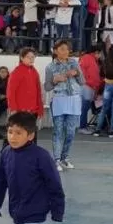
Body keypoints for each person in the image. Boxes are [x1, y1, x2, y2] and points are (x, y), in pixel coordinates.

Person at [43, 40, 82, 170]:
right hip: (59, 100)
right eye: (62, 49)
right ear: (55, 51)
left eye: (67, 49)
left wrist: (77, 73)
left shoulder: (74, 63)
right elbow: (47, 87)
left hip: (74, 100)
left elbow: (82, 82)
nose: (66, 51)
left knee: (70, 132)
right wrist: (55, 80)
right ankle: (57, 159)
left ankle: (65, 157)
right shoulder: (50, 67)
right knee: (58, 131)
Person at [7, 48, 44, 143]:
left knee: (31, 135)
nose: (31, 59)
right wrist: (13, 109)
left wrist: (40, 109)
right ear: (22, 58)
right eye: (28, 57)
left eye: (33, 57)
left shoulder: (34, 71)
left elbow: (38, 91)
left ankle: (32, 155)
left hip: (33, 110)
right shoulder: (17, 72)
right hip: (20, 110)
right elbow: (11, 92)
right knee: (19, 135)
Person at [93, 46, 113, 138]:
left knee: (104, 109)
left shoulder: (105, 61)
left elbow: (102, 74)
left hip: (108, 86)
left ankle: (97, 130)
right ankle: (112, 131)